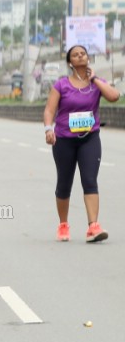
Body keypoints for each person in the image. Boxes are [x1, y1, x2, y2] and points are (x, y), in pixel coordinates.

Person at [43, 44, 120, 242]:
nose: (79, 56)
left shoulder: (97, 83)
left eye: (83, 54)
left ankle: (93, 226)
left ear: (87, 58)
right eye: (75, 55)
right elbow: (50, 110)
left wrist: (94, 78)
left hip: (90, 138)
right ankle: (63, 225)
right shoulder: (62, 85)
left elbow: (114, 96)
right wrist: (48, 129)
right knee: (64, 182)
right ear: (70, 62)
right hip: (64, 140)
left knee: (90, 180)